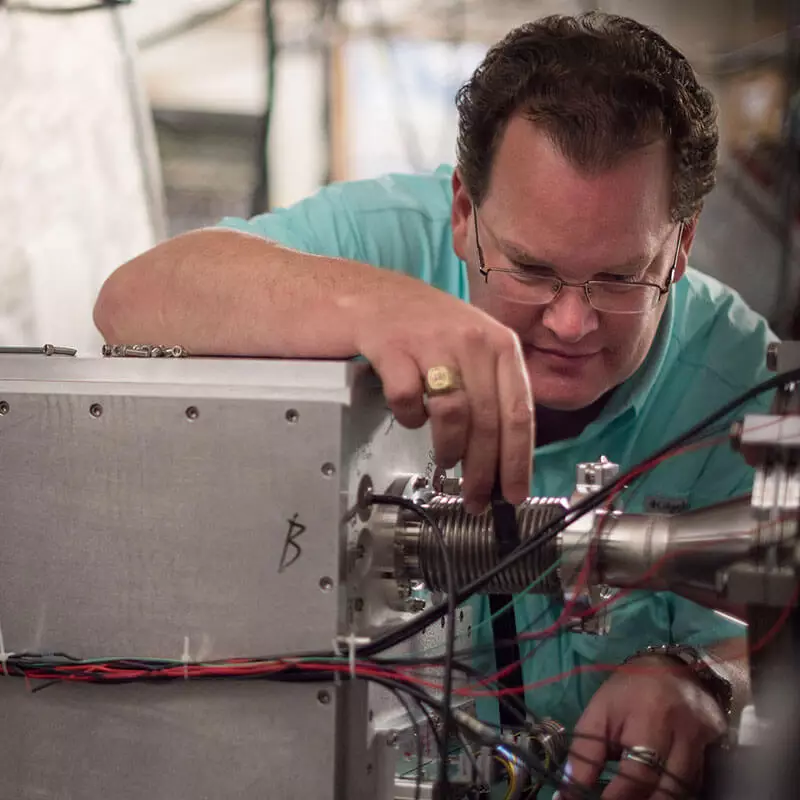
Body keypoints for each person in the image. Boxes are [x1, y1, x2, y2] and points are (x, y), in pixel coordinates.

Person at [94, 12, 775, 799]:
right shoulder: (384, 243)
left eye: (621, 279)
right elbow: (130, 298)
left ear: (682, 246)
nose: (570, 321)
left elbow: (758, 637)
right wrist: (374, 308)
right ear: (461, 212)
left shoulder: (735, 378)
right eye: (529, 268)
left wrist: (698, 681)